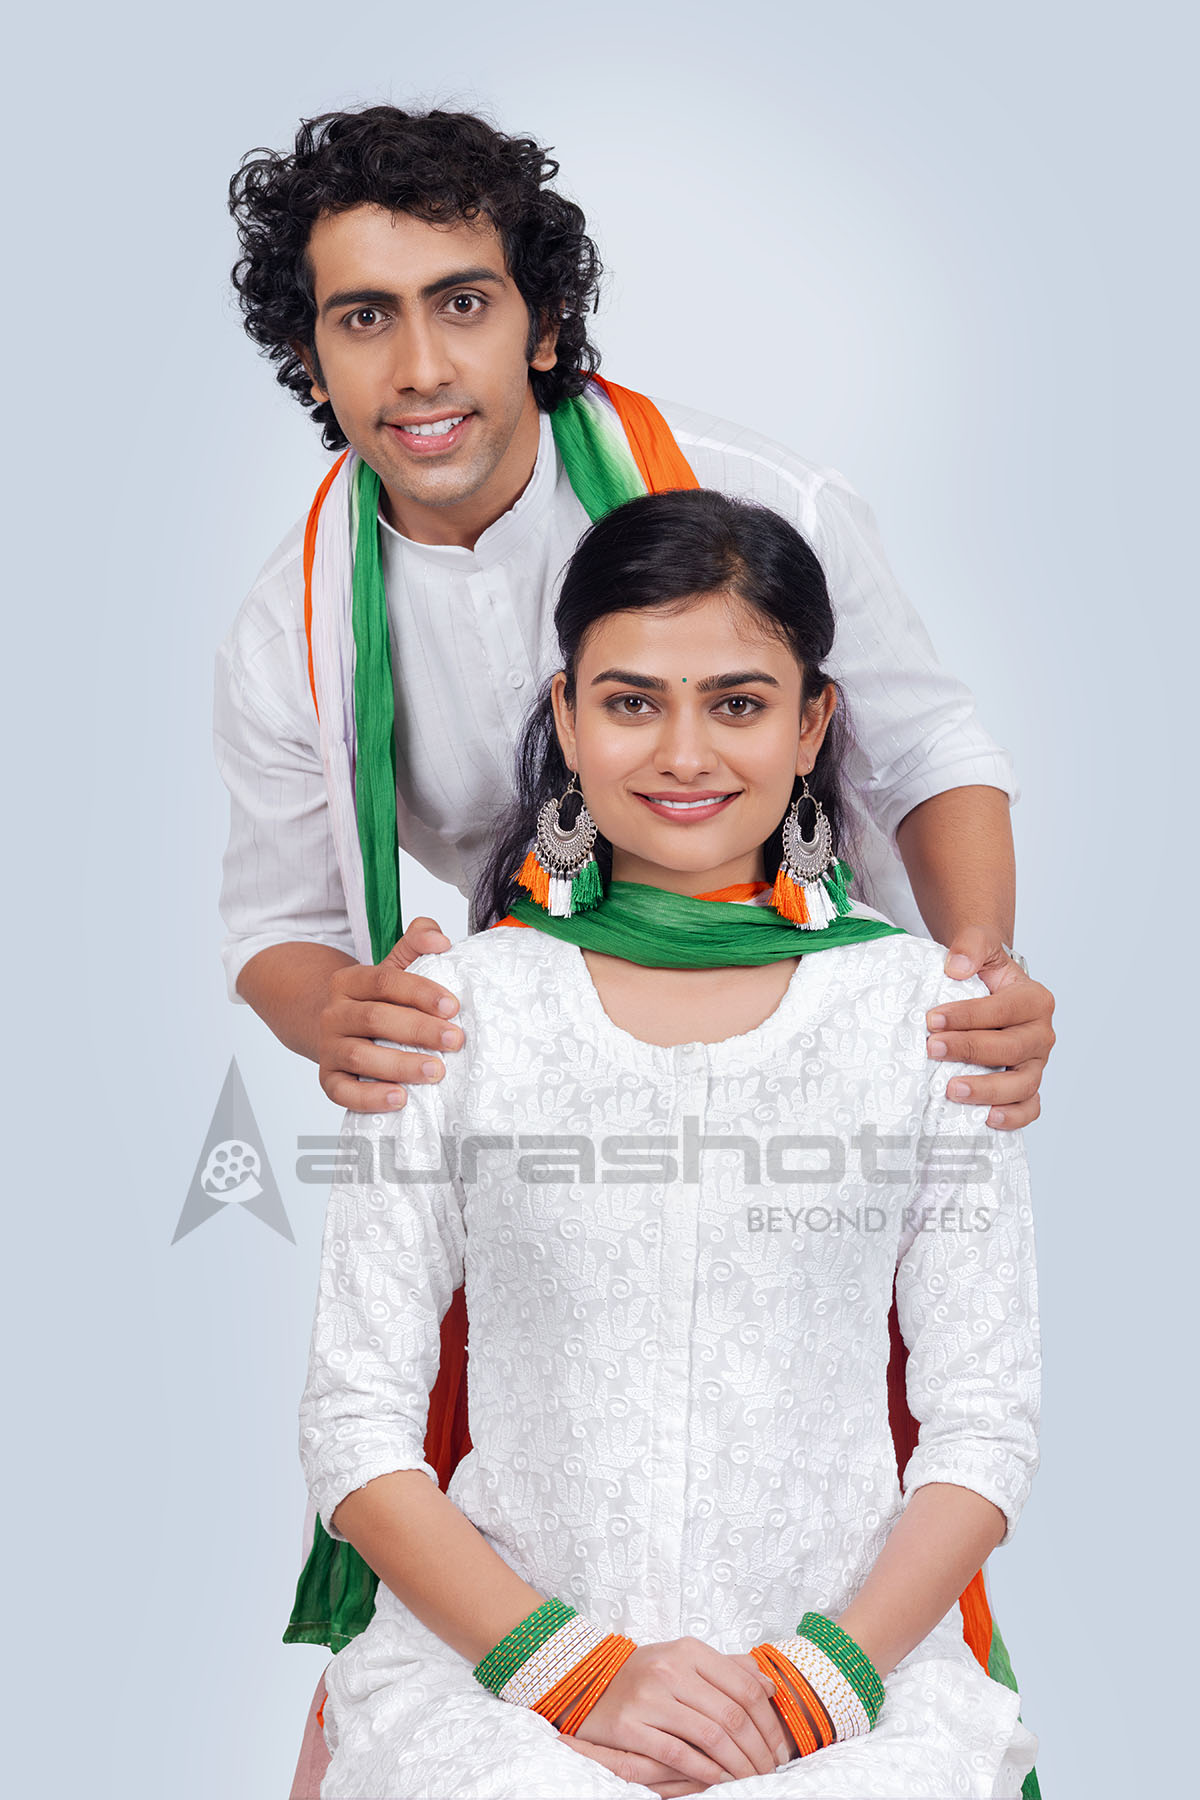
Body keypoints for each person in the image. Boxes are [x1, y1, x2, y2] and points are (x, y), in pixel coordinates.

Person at [299, 488, 1041, 1800]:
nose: (684, 752)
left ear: (813, 723)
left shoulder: (929, 1019)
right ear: (569, 715)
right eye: (633, 701)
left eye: (740, 703)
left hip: (843, 1699)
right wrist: (577, 1675)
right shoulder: (452, 1011)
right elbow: (356, 1424)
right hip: (506, 1695)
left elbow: (984, 1426)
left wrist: (816, 1686)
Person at [215, 104, 1055, 1138]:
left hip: (819, 1041)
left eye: (465, 302)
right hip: (546, 1083)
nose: (421, 367)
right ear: (310, 357)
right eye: (365, 317)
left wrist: (983, 977)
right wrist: (335, 1016)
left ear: (547, 324)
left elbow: (925, 749)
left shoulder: (765, 501)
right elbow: (279, 924)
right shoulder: (286, 634)